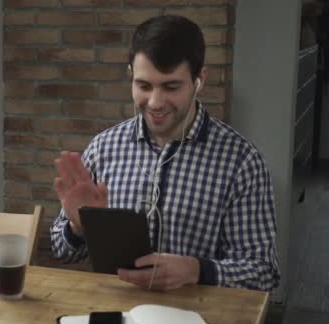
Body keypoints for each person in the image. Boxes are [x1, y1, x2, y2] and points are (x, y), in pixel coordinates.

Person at [49, 15, 280, 292]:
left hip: (199, 320)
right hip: (115, 315)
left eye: (171, 87)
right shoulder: (103, 148)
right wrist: (77, 226)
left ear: (199, 80)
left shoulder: (242, 162)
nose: (155, 103)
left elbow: (263, 272)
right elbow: (62, 252)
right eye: (144, 86)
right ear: (130, 76)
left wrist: (197, 270)